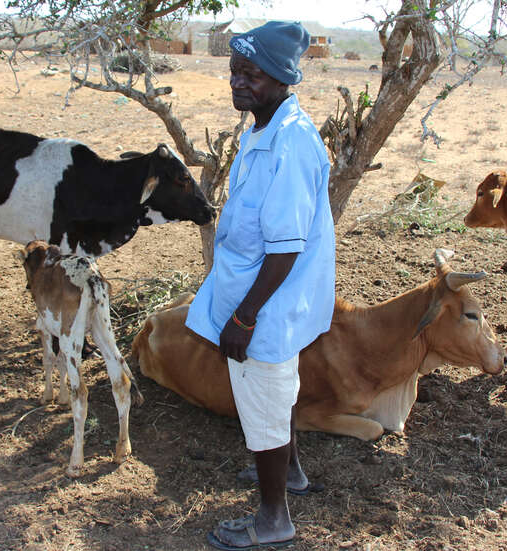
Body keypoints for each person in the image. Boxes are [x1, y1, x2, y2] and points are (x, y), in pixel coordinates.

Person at [185, 20, 335, 551]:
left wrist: (245, 317)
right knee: (277, 392)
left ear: (280, 78)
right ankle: (290, 473)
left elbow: (286, 248)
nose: (239, 82)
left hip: (268, 302)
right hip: (264, 295)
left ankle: (275, 519)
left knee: (266, 403)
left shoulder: (289, 143)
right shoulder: (263, 127)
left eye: (252, 74)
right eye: (234, 71)